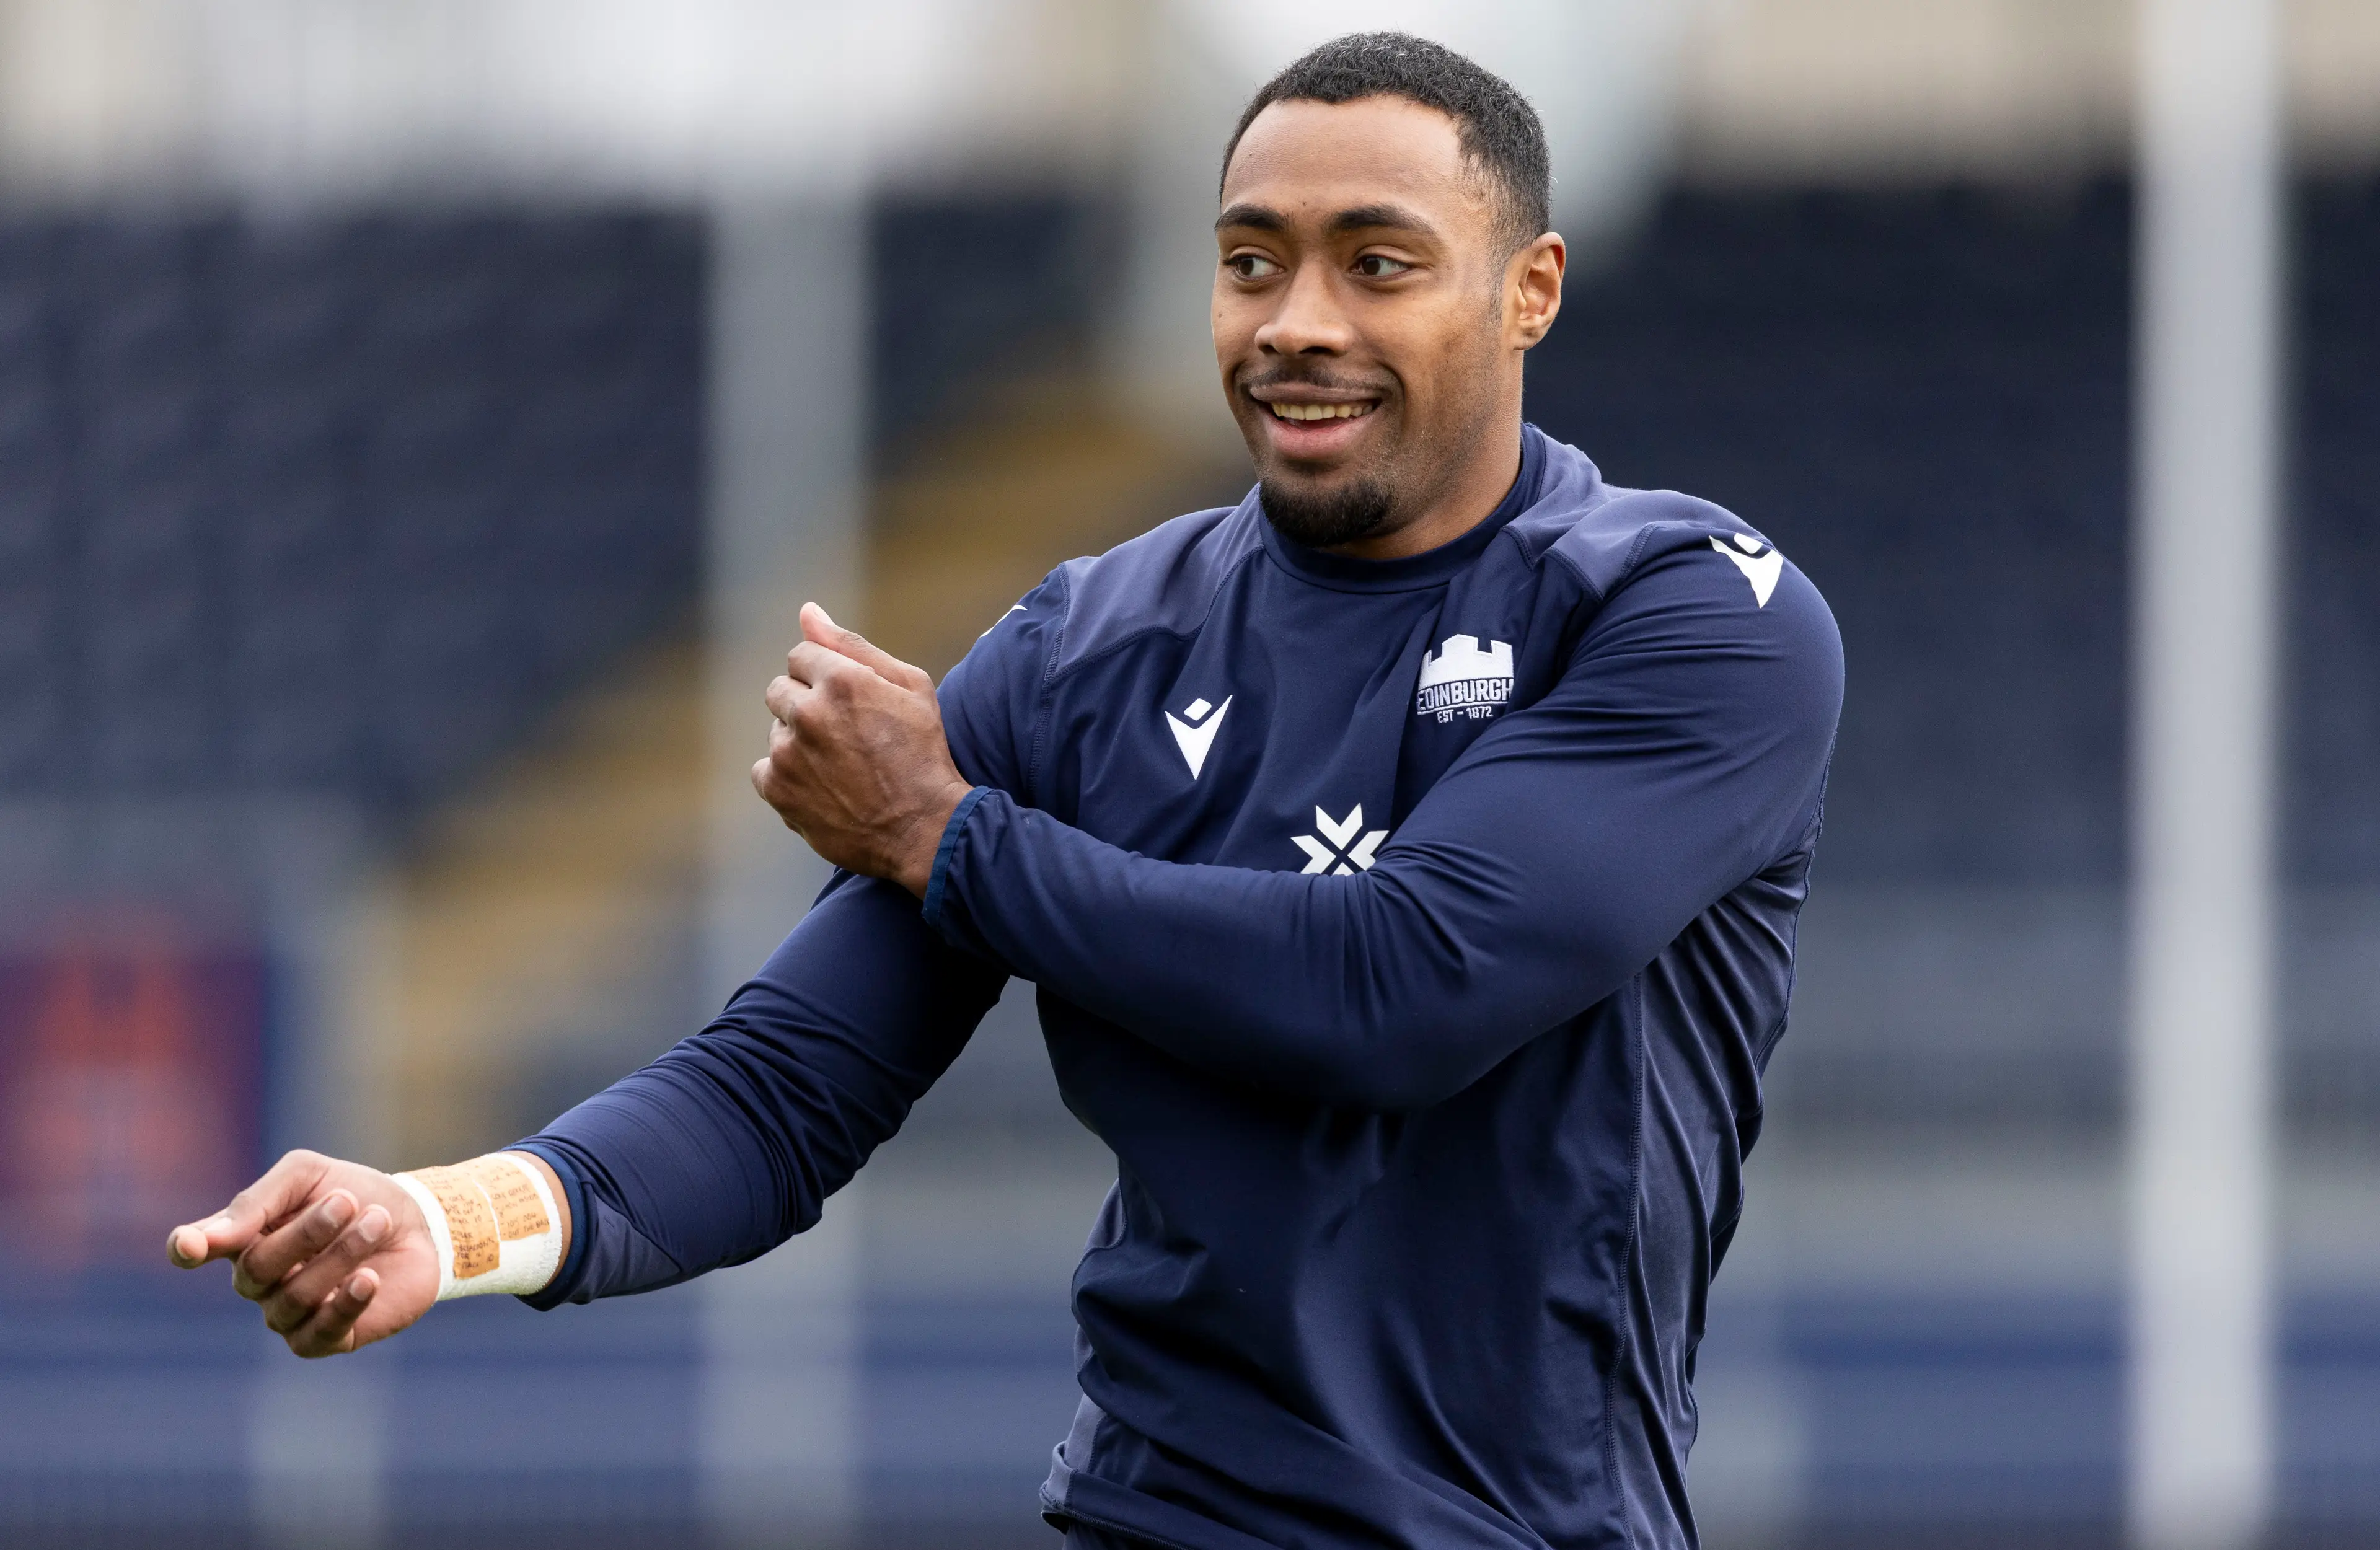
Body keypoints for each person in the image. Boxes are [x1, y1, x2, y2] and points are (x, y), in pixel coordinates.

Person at [169, 32, 1841, 1550]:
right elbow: (779, 1089)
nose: (1297, 321)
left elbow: (1408, 984)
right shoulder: (1085, 647)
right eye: (1250, 262)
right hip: (1160, 1514)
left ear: (1528, 288)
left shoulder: (1686, 611)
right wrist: (448, 1217)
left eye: (1377, 264)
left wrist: (950, 835)